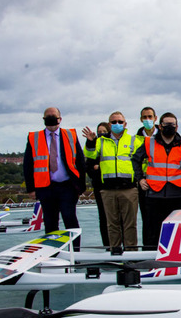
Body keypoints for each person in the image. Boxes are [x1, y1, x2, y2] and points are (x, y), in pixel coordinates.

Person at [23, 107, 86, 249]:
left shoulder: (70, 135)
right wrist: (31, 189)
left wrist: (81, 186)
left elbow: (80, 162)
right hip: (46, 187)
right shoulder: (34, 138)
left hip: (67, 186)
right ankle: (52, 253)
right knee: (50, 224)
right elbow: (28, 165)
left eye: (54, 116)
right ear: (43, 119)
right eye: (48, 117)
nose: (51, 119)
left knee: (70, 220)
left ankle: (75, 252)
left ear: (60, 119)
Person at [131, 112, 181, 249]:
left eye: (172, 124)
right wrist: (140, 179)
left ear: (177, 127)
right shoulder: (149, 142)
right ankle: (152, 261)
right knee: (152, 231)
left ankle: (175, 262)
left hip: (177, 194)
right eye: (166, 124)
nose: (169, 127)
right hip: (154, 193)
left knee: (176, 231)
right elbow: (135, 159)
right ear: (160, 126)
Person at [82, 111, 143, 251]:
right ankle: (115, 252)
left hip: (129, 188)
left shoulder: (134, 140)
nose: (117, 124)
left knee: (130, 224)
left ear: (125, 124)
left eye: (120, 122)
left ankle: (131, 253)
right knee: (112, 224)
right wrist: (90, 141)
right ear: (109, 125)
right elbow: (90, 154)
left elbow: (143, 162)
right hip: (108, 189)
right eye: (114, 122)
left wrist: (141, 179)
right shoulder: (100, 141)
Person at [136, 106, 159, 249]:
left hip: (161, 182)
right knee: (146, 218)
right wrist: (139, 178)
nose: (148, 120)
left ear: (155, 118)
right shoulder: (136, 139)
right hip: (144, 183)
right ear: (140, 119)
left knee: (161, 218)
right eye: (145, 117)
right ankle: (148, 248)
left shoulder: (163, 137)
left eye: (150, 117)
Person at [86, 122, 111, 247]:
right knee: (103, 217)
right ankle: (107, 245)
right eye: (99, 132)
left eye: (104, 131)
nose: (101, 134)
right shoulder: (94, 147)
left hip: (111, 186)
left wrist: (99, 167)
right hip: (99, 187)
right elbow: (89, 167)